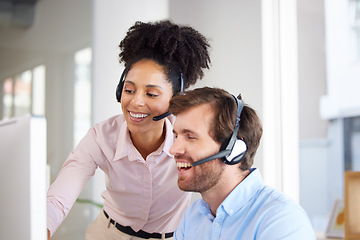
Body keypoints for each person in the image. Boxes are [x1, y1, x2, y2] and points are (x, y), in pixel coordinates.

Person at [47, 20, 211, 240]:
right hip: (108, 234)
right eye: (129, 90)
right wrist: (42, 229)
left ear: (175, 99)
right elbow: (59, 198)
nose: (136, 102)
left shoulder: (191, 138)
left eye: (151, 94)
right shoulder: (101, 137)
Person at [168, 87, 316, 240]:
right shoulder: (191, 218)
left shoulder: (281, 221)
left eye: (190, 137)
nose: (173, 149)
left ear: (233, 149)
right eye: (176, 136)